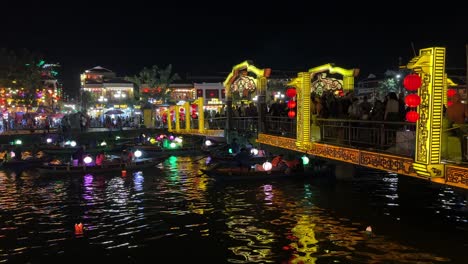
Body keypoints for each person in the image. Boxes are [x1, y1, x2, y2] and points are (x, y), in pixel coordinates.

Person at [446, 93, 468, 161]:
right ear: (459, 99)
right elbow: (467, 116)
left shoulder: (449, 108)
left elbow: (447, 119)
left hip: (451, 128)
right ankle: (464, 156)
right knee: (463, 141)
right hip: (461, 127)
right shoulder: (463, 106)